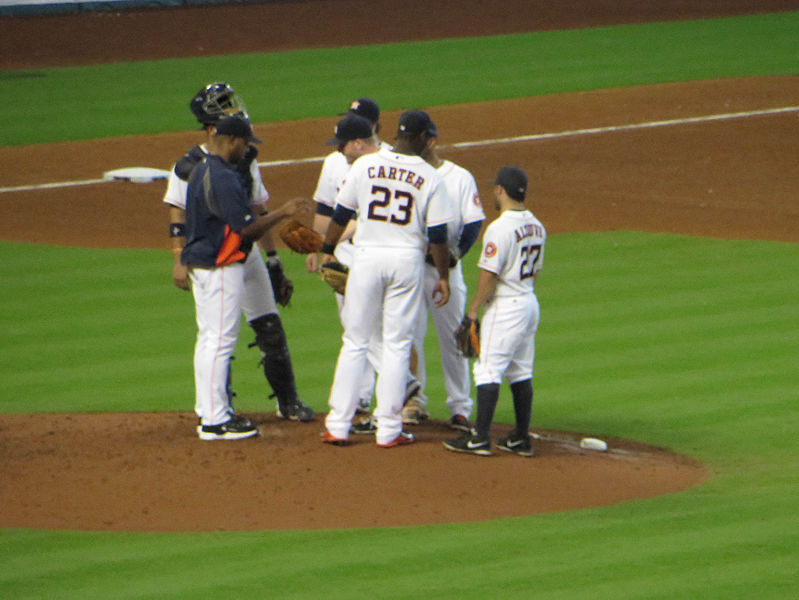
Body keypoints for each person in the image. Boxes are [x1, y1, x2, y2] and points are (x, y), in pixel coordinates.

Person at [164, 82, 315, 425]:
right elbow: (177, 211)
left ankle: (287, 402)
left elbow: (258, 210)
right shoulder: (189, 165)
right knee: (219, 336)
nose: (233, 107)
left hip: (245, 255)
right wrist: (177, 258)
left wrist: (274, 262)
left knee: (269, 325)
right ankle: (218, 410)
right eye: (224, 104)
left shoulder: (245, 158)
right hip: (218, 258)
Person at [320, 109, 454, 448]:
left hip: (366, 257)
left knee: (355, 340)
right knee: (396, 345)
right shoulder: (431, 177)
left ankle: (337, 425)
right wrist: (442, 276)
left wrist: (327, 249)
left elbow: (341, 214)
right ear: (424, 138)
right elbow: (438, 237)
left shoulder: (367, 164)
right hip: (406, 261)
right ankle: (389, 430)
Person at [443, 166, 545, 457]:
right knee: (520, 371)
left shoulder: (499, 228)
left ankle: (480, 438)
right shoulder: (538, 226)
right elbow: (535, 273)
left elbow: (489, 275)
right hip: (528, 303)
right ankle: (520, 438)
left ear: (501, 190)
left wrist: (473, 311)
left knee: (487, 369)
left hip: (507, 306)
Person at [305, 98, 398, 417]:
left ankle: (403, 389)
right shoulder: (334, 162)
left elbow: (370, 216)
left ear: (371, 128)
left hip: (376, 254)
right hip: (344, 255)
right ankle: (363, 396)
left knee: (377, 330)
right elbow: (325, 208)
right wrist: (320, 247)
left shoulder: (390, 161)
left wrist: (331, 240)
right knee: (354, 328)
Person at [402, 124, 486, 432]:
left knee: (454, 337)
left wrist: (457, 255)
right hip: (412, 266)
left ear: (431, 141)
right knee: (410, 335)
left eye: (413, 140)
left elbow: (474, 222)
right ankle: (413, 402)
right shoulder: (407, 174)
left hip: (446, 269)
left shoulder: (459, 177)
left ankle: (460, 407)